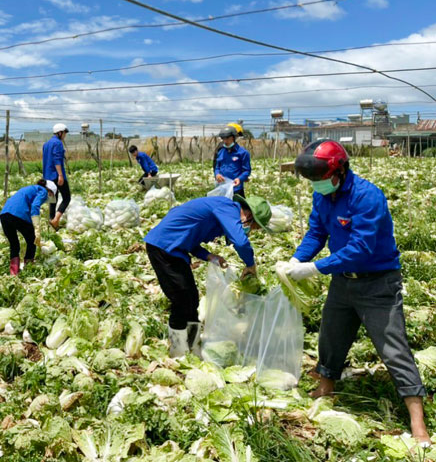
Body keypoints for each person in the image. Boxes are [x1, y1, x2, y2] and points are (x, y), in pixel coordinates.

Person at [285, 139, 430, 445]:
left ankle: (418, 421)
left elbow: (361, 248)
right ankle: (326, 385)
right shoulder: (322, 197)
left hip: (378, 283)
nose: (316, 185)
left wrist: (314, 269)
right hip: (342, 281)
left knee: (394, 347)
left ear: (339, 171)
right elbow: (316, 232)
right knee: (331, 335)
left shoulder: (367, 197)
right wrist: (299, 258)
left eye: (319, 179)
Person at [144, 194, 273, 357]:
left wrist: (210, 256)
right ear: (248, 216)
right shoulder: (228, 209)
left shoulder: (221, 211)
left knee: (192, 299)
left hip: (174, 249)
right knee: (181, 299)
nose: (248, 232)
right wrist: (250, 264)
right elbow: (240, 242)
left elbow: (191, 238)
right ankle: (178, 351)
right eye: (253, 228)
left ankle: (192, 345)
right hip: (164, 247)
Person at [0, 179, 58, 275]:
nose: (49, 197)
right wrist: (37, 227)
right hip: (18, 215)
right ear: (49, 191)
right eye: (51, 194)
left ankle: (14, 273)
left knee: (14, 244)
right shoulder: (42, 191)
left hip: (4, 215)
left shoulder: (30, 188)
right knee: (32, 240)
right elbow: (35, 206)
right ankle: (28, 268)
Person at [43, 123, 71, 230]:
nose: (65, 135)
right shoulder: (58, 143)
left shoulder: (46, 144)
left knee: (53, 199)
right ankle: (56, 220)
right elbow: (57, 159)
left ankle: (51, 221)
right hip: (56, 175)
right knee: (67, 198)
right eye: (64, 133)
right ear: (60, 133)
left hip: (47, 176)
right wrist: (60, 175)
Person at [213, 125, 251, 198]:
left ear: (233, 138)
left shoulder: (243, 153)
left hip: (236, 188)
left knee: (237, 208)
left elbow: (247, 170)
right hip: (222, 187)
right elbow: (217, 167)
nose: (225, 141)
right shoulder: (221, 152)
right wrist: (217, 174)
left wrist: (240, 179)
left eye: (227, 138)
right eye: (223, 138)